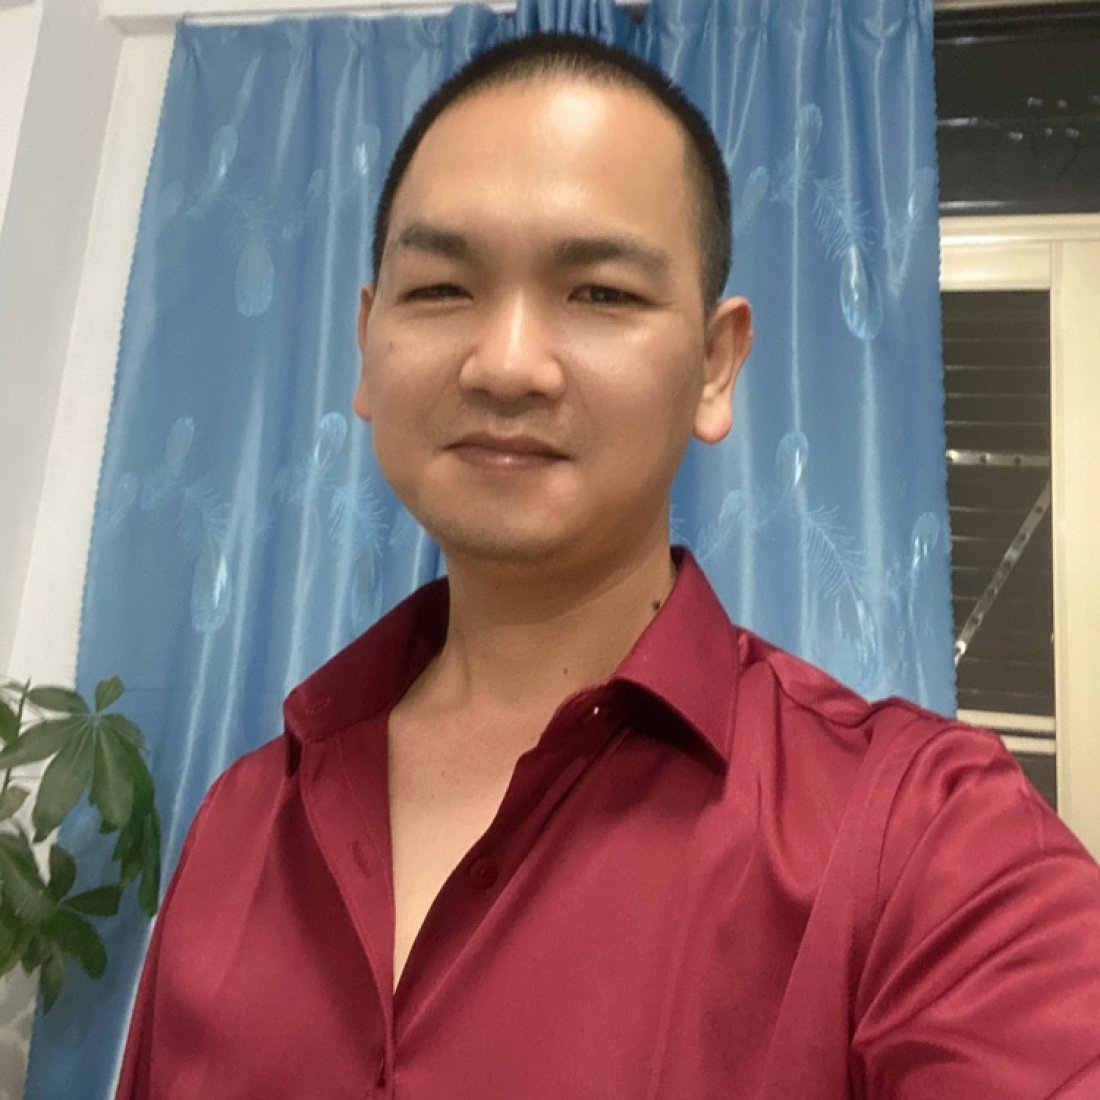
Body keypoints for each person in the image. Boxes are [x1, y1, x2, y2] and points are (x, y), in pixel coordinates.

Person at [117, 32, 1100, 1099]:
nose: (505, 364)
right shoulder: (240, 822)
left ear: (715, 365)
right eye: (439, 287)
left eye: (599, 294)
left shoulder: (924, 840)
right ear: (367, 343)